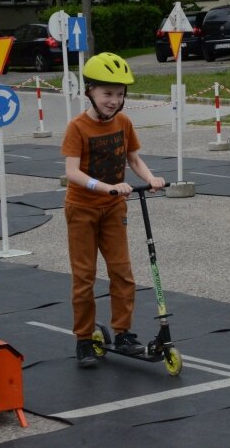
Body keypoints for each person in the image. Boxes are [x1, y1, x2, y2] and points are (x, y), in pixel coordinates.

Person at [61, 52, 166, 368]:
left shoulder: (123, 122)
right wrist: (103, 186)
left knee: (122, 272)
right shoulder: (77, 127)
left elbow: (133, 158)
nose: (113, 100)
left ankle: (123, 333)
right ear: (90, 91)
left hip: (113, 209)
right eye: (107, 93)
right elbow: (72, 172)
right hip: (81, 208)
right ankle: (83, 340)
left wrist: (150, 178)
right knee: (84, 276)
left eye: (119, 94)